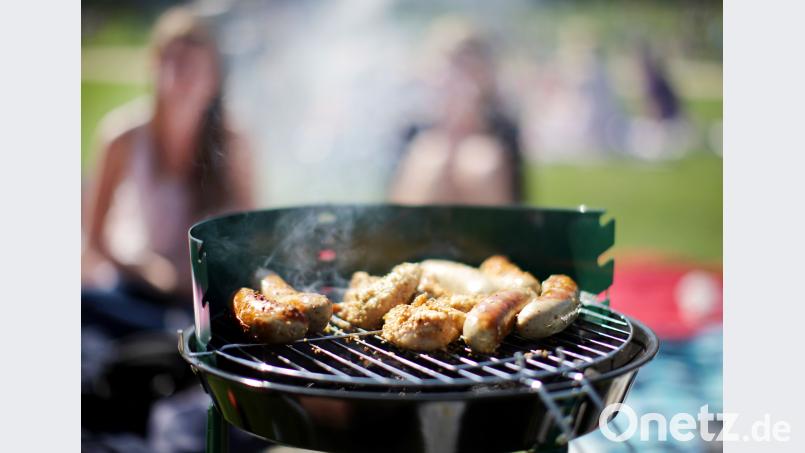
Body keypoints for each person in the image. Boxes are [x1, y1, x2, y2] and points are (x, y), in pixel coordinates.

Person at [81, 6, 254, 441]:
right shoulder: (122, 135)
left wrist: (196, 282)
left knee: (208, 338)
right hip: (133, 289)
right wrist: (151, 272)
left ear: (216, 77)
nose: (181, 75)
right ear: (155, 65)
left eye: (194, 64)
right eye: (172, 60)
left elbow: (251, 242)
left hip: (199, 302)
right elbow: (95, 239)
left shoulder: (234, 144)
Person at [390, 21, 523, 205]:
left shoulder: (502, 131)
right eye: (451, 68)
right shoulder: (412, 129)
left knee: (480, 162)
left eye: (469, 69)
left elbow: (517, 202)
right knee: (431, 158)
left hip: (488, 227)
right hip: (420, 228)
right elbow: (395, 203)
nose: (457, 81)